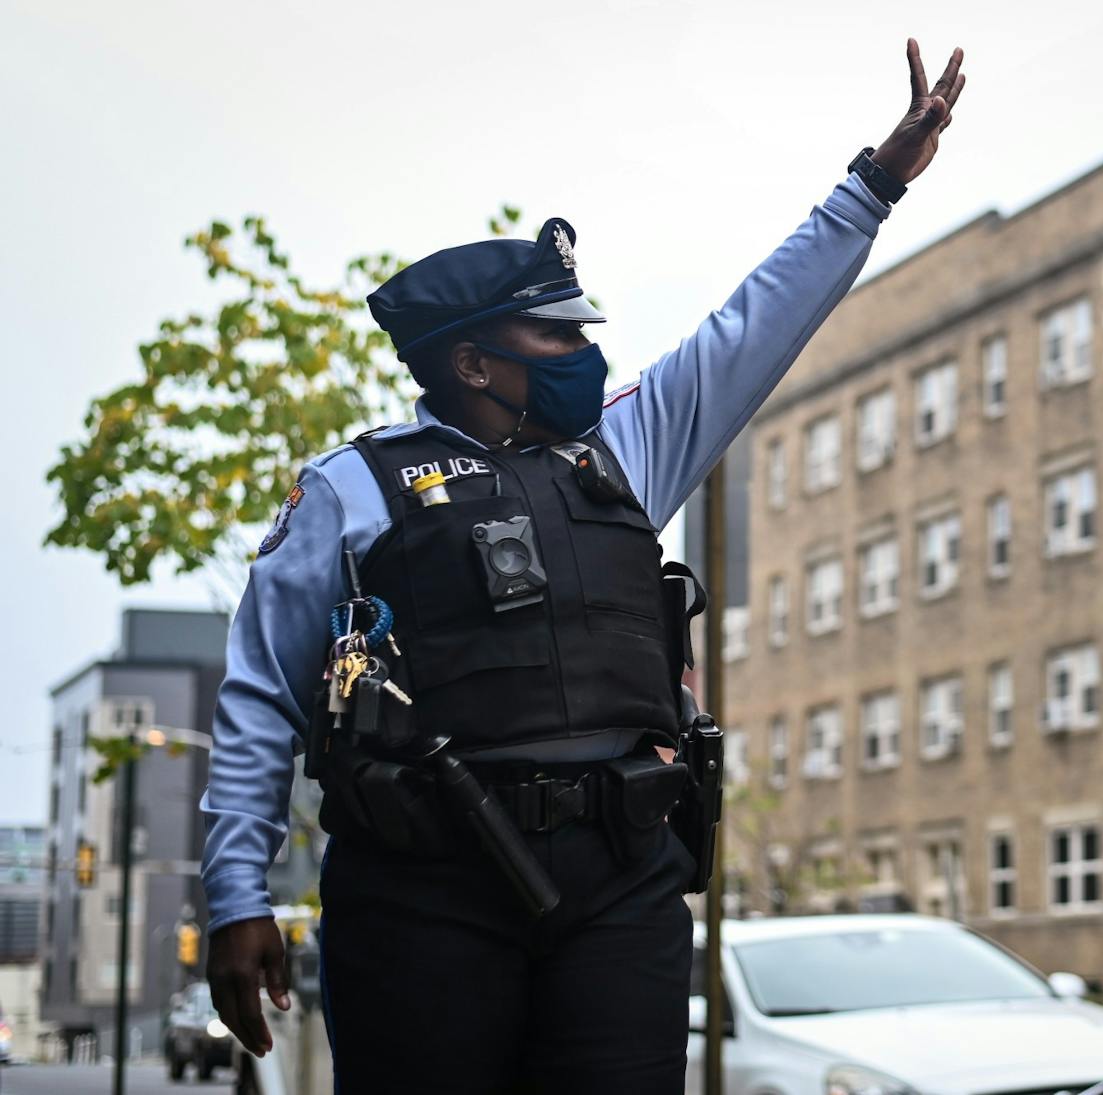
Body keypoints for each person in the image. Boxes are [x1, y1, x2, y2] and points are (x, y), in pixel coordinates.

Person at [200, 38, 966, 1093]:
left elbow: (755, 326)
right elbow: (258, 703)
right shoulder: (350, 486)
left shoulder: (621, 451)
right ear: (471, 363)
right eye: (554, 339)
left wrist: (873, 185)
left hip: (619, 888)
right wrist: (234, 897)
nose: (586, 353)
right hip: (423, 894)